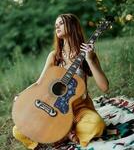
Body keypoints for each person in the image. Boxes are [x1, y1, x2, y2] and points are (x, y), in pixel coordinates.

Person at [13, 13, 109, 149]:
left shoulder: (87, 54)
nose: (57, 26)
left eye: (61, 23)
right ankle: (64, 133)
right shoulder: (54, 56)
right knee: (18, 130)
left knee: (96, 125)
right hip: (53, 110)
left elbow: (104, 87)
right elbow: (39, 83)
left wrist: (90, 60)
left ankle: (62, 134)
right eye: (56, 24)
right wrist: (22, 95)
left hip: (78, 110)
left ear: (73, 26)